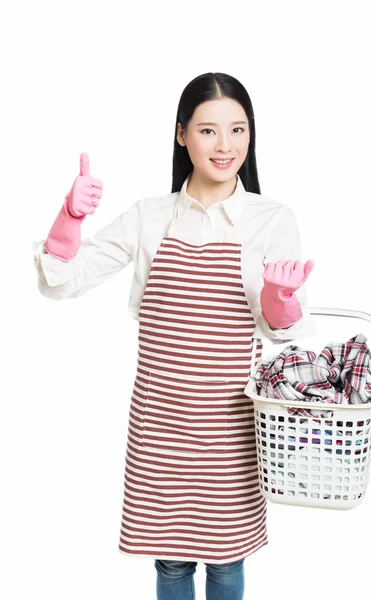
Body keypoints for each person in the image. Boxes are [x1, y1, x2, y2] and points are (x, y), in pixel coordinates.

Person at [32, 72, 314, 600]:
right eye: (208, 131)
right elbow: (64, 278)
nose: (225, 145)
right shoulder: (149, 218)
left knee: (227, 564)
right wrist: (69, 218)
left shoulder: (271, 219)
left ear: (251, 135)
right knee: (171, 566)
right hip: (161, 427)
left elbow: (283, 331)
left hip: (229, 430)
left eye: (237, 129)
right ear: (182, 134)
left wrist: (279, 298)